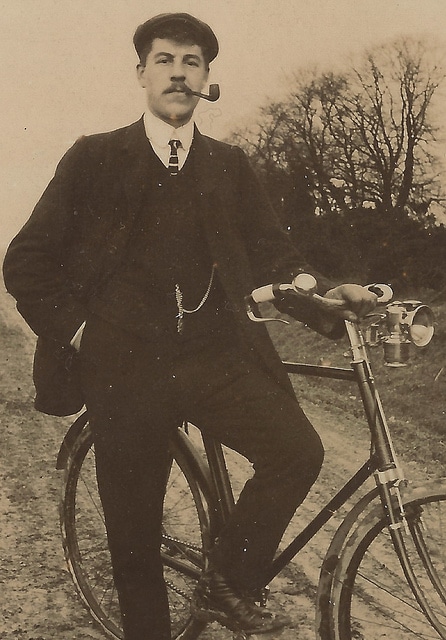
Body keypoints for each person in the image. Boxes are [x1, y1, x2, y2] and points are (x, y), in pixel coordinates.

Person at [3, 13, 377, 640]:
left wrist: (319, 295)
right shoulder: (94, 157)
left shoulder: (229, 166)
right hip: (122, 369)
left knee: (298, 451)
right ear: (142, 74)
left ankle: (226, 580)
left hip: (213, 360)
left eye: (193, 63)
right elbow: (27, 261)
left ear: (207, 80)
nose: (179, 73)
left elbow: (276, 258)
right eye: (166, 60)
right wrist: (81, 333)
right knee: (134, 543)